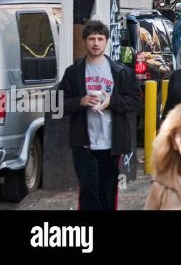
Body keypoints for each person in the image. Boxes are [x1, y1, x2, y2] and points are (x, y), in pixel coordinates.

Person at [58, 20, 139, 210]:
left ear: (106, 42)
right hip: (84, 143)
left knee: (108, 192)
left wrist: (112, 101)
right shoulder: (74, 72)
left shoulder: (121, 72)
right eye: (92, 39)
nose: (96, 43)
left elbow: (134, 102)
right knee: (88, 192)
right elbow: (57, 104)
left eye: (100, 39)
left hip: (111, 144)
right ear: (85, 41)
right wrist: (80, 101)